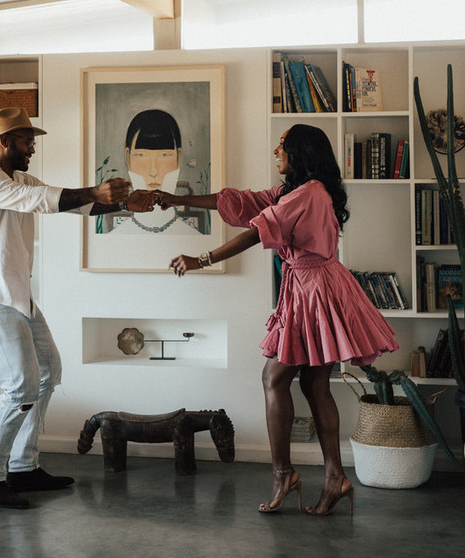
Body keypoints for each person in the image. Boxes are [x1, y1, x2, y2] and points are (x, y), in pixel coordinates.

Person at [155, 123, 399, 517]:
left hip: (315, 289)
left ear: (300, 152)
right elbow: (240, 202)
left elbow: (257, 231)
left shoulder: (310, 193)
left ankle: (286, 475)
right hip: (313, 287)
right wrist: (175, 199)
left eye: (282, 146)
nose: (275, 152)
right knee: (314, 383)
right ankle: (332, 477)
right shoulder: (293, 192)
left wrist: (202, 259)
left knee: (276, 378)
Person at [0, 106, 155, 510]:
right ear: (2, 142)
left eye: (32, 140)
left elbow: (71, 204)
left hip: (18, 298)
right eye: (26, 140)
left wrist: (121, 204)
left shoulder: (21, 178)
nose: (32, 147)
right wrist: (95, 192)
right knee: (20, 389)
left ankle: (23, 467)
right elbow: (37, 201)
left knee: (49, 373)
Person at [110, 109, 199, 235]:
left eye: (164, 155)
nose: (153, 171)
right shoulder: (115, 236)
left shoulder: (193, 235)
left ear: (179, 157)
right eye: (141, 155)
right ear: (127, 157)